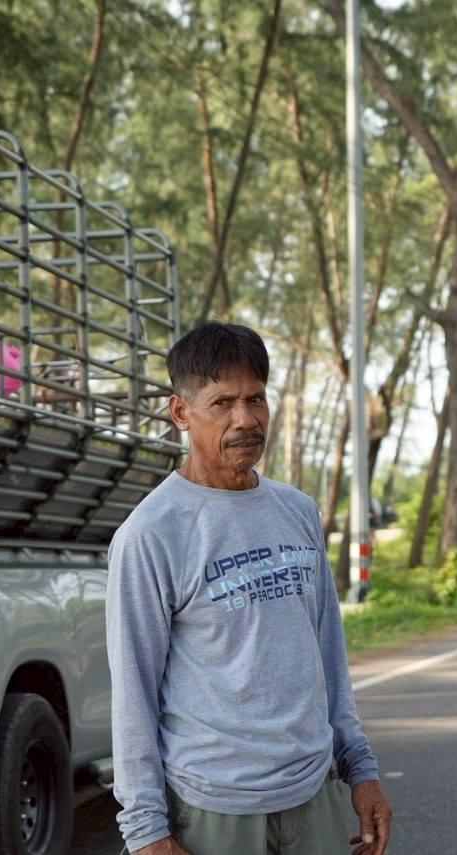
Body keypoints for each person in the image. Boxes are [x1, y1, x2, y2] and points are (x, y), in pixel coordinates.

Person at [107, 322, 392, 855]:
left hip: (313, 795)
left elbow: (328, 658)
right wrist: (145, 830)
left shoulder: (297, 511)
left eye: (255, 398)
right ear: (180, 412)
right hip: (213, 808)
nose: (245, 419)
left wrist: (362, 769)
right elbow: (133, 693)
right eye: (222, 402)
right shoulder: (151, 533)